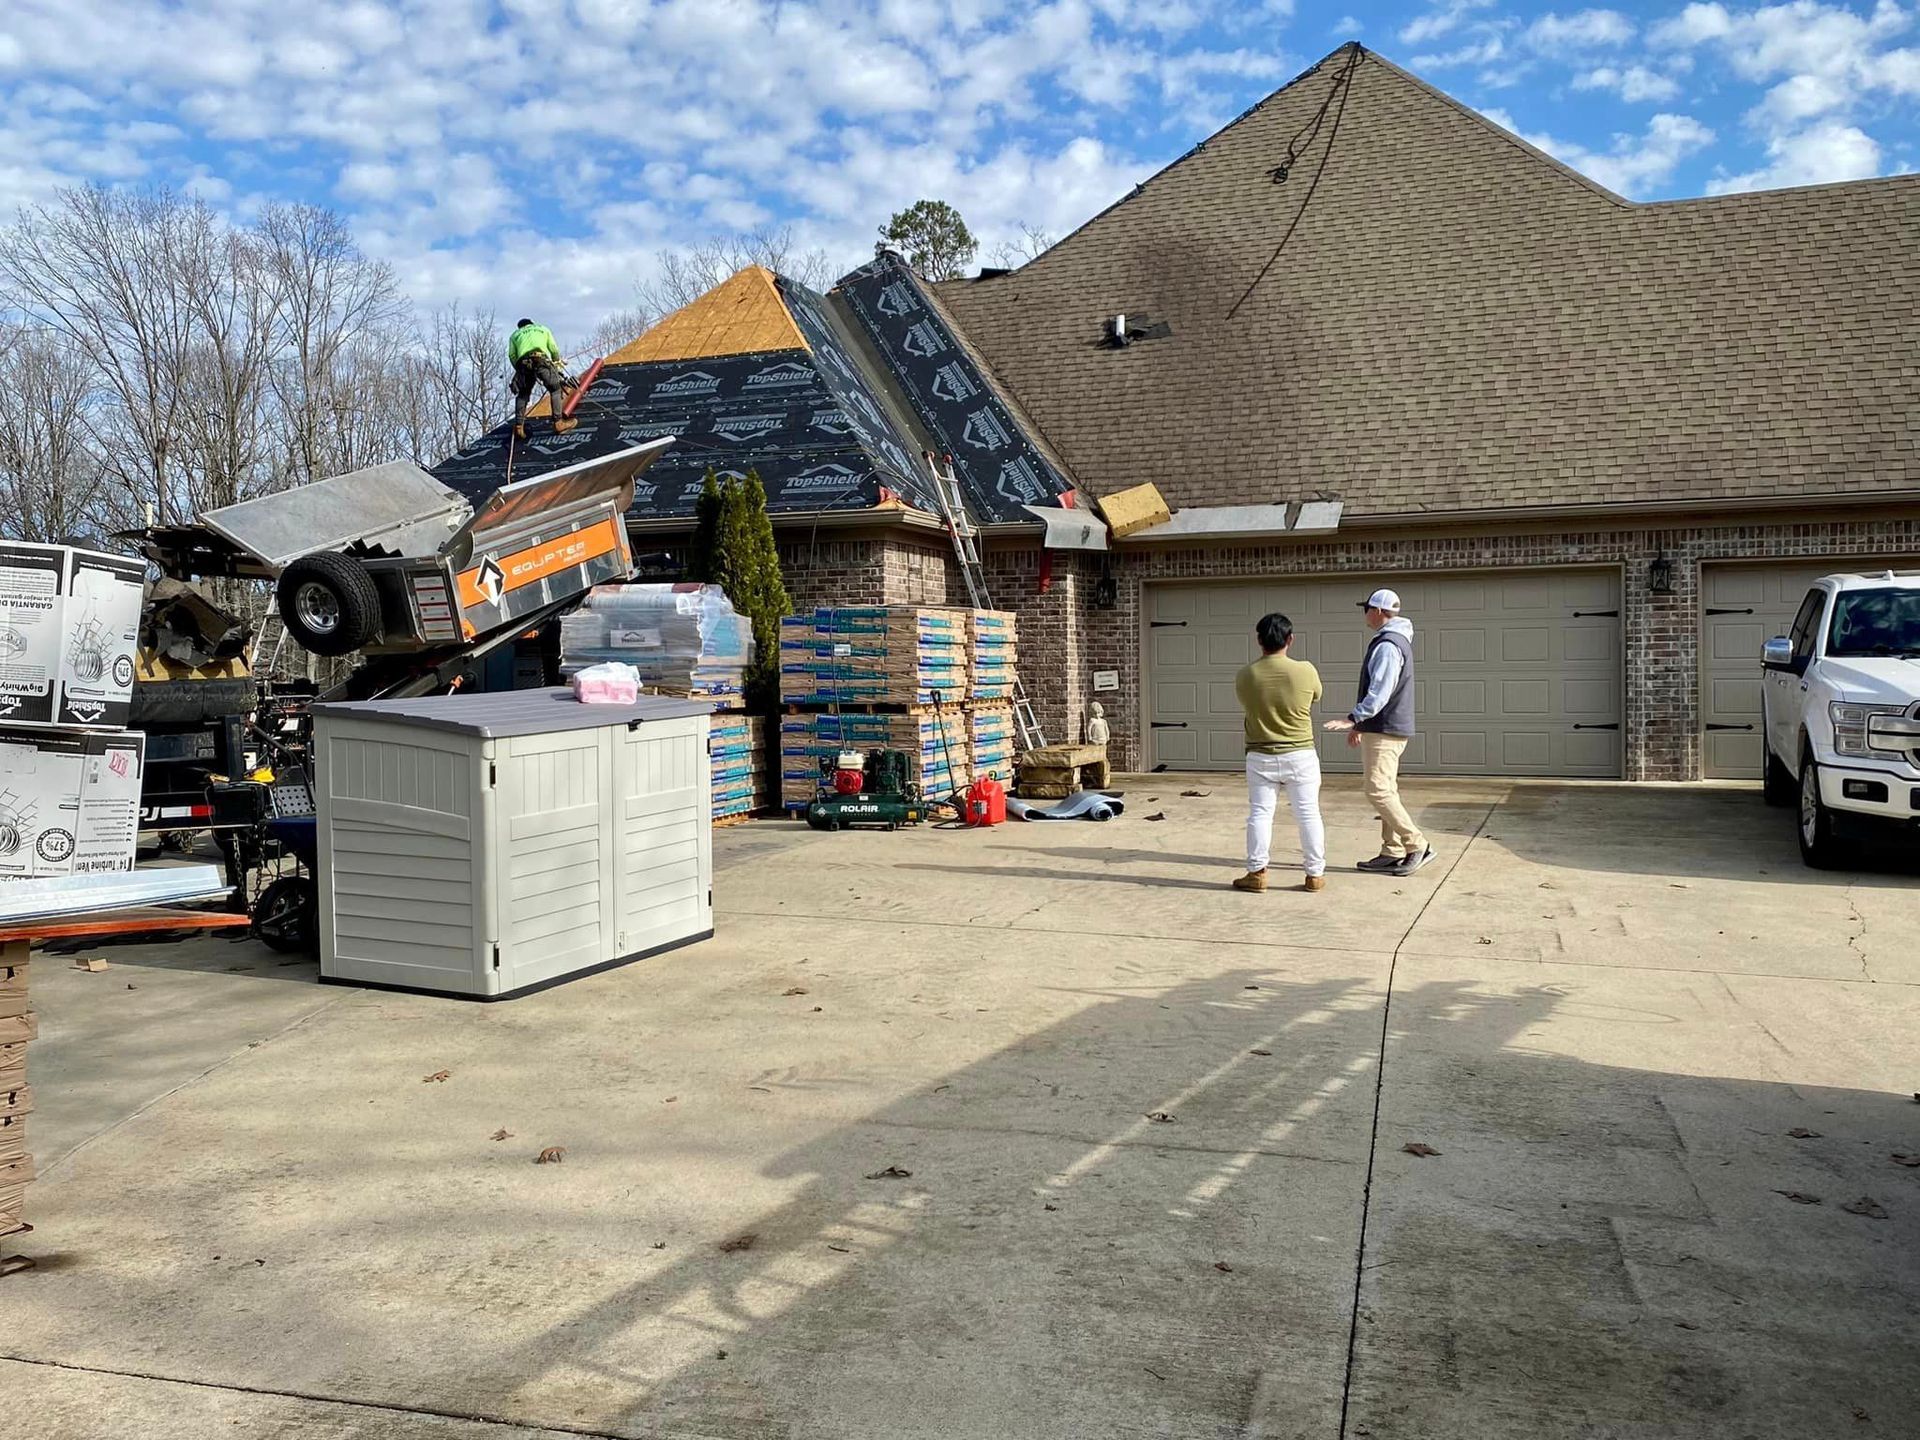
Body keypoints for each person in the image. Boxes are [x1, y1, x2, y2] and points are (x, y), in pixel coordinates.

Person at [1323, 587, 1434, 877]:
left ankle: (1416, 844)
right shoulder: (1393, 640)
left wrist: (1354, 718)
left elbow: (1381, 691)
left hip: (1386, 728)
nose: (1365, 614)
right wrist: (1361, 725)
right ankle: (1392, 851)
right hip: (1384, 727)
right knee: (1387, 788)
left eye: (1367, 609)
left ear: (1379, 612)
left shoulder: (1387, 645)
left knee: (1377, 789)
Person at [1232, 612, 1327, 894]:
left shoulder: (1246, 674)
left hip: (1260, 754)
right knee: (1308, 813)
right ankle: (1315, 875)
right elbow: (1316, 696)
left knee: (1260, 814)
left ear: (1259, 640)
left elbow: (1246, 703)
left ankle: (1257, 873)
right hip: (1301, 753)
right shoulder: (1306, 670)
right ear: (1290, 639)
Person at [507, 318, 577, 441]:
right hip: (541, 360)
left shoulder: (514, 335)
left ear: (520, 327)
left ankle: (519, 426)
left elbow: (512, 355)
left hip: (523, 363)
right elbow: (553, 349)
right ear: (531, 324)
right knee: (555, 388)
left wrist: (519, 371)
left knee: (523, 394)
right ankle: (558, 422)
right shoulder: (542, 329)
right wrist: (556, 364)